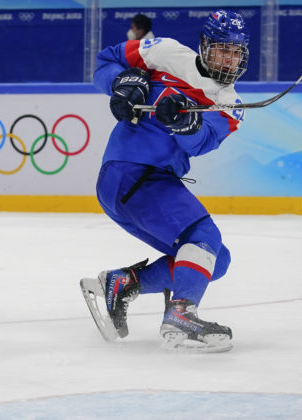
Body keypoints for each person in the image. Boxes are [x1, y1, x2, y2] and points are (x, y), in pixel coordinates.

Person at [81, 10, 250, 353]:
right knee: (204, 236)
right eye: (223, 50)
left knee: (216, 258)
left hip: (147, 183)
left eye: (236, 53)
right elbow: (105, 62)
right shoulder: (164, 52)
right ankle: (181, 314)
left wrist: (186, 124)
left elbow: (202, 142)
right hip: (129, 172)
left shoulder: (230, 104)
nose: (229, 60)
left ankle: (123, 283)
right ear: (204, 46)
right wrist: (121, 83)